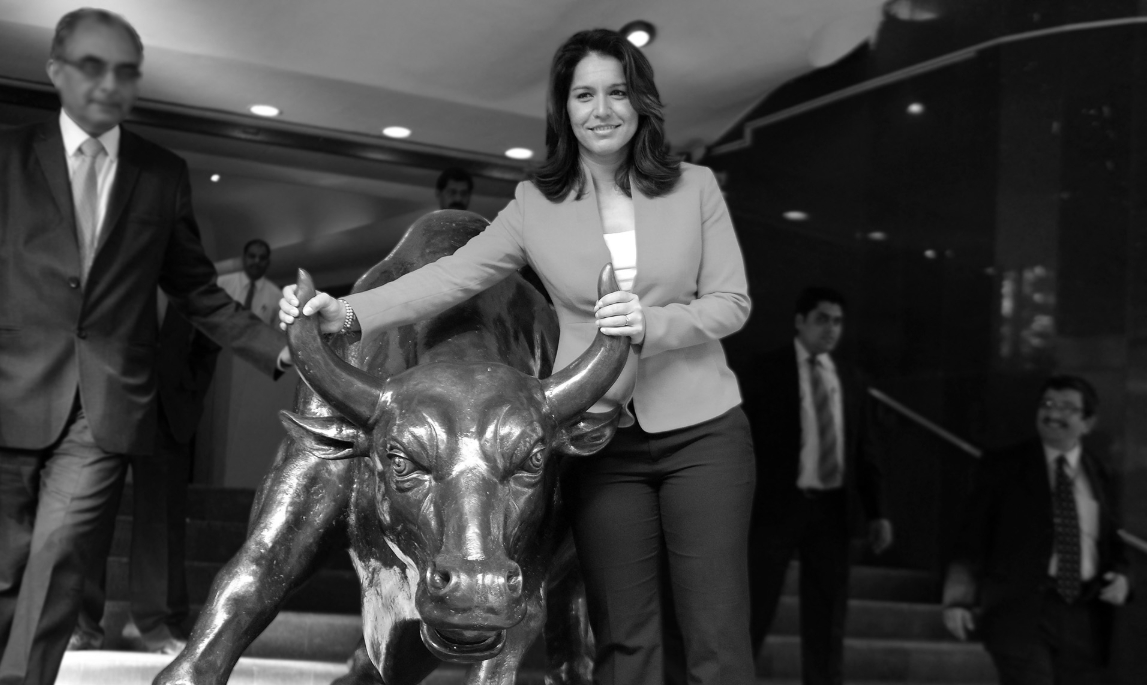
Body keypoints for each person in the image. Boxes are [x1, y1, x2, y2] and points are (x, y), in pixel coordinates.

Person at [281, 28, 755, 685]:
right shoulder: (538, 206)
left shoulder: (695, 188)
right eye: (583, 94)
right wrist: (350, 313)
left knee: (716, 636)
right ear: (564, 110)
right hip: (600, 439)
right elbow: (453, 276)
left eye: (618, 92)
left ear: (642, 102)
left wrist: (655, 321)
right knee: (624, 637)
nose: (602, 109)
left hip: (701, 434)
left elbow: (732, 303)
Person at [0, 9, 289, 685]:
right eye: (92, 66)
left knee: (61, 555)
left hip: (104, 406)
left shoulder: (161, 174)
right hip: (4, 393)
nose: (111, 83)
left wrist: (282, 349)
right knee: (1, 574)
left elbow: (196, 289)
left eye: (126, 71)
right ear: (56, 72)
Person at [744, 286, 891, 685]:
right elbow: (744, 440)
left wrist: (877, 512)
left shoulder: (850, 377)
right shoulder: (765, 370)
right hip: (776, 504)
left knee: (828, 617)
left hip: (831, 510)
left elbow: (865, 448)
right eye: (823, 319)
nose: (831, 329)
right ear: (800, 322)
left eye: (838, 321)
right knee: (755, 606)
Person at [942, 375, 1131, 685]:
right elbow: (971, 536)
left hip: (1083, 616)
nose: (1053, 415)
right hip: (1021, 612)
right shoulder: (1004, 465)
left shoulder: (1100, 473)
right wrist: (958, 598)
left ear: (1088, 422)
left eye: (1067, 408)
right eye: (1047, 404)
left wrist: (1123, 578)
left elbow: (1112, 544)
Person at [71, 294, 221, 654]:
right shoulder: (120, 262)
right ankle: (80, 625)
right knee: (88, 518)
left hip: (167, 412)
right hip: (106, 403)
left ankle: (158, 625)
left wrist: (189, 395)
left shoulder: (191, 282)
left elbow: (209, 340)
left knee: (162, 522)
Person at [217, 239, 281, 327]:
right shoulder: (221, 283)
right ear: (243, 258)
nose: (257, 261)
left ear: (268, 262)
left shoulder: (277, 295)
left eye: (262, 258)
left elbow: (276, 332)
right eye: (252, 256)